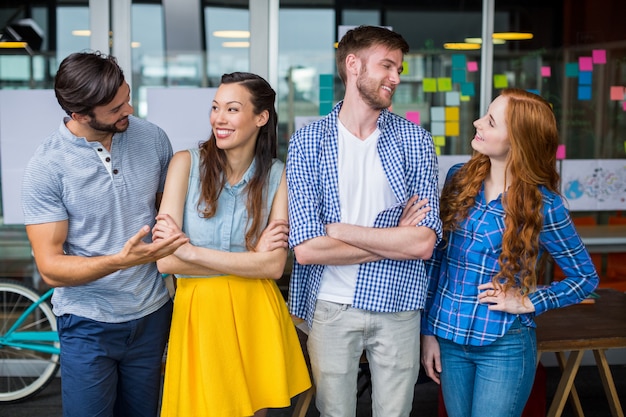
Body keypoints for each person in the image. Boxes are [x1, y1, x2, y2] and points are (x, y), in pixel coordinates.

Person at [21, 51, 189, 417]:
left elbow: (168, 217)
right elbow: (51, 268)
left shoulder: (153, 138)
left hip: (151, 315)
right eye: (115, 108)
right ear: (80, 114)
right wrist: (120, 261)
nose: (128, 110)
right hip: (87, 323)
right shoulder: (47, 168)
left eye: (127, 97)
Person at [286, 25, 442, 417]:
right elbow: (306, 249)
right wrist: (395, 241)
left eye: (399, 69)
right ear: (353, 65)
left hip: (399, 305)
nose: (396, 77)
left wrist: (340, 232)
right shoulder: (308, 141)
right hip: (331, 307)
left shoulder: (415, 141)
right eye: (387, 66)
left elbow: (423, 243)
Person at [420, 88, 600, 417]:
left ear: (517, 139)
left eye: (490, 121)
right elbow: (437, 261)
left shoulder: (544, 204)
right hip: (448, 336)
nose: (477, 123)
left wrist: (528, 300)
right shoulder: (458, 178)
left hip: (504, 342)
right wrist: (428, 332)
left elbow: (584, 278)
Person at [153, 72, 311, 417]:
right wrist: (250, 258)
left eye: (231, 109)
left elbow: (272, 267)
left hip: (255, 313)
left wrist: (191, 252)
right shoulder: (184, 164)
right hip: (199, 315)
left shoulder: (278, 175)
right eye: (215, 107)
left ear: (261, 117)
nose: (218, 119)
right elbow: (165, 261)